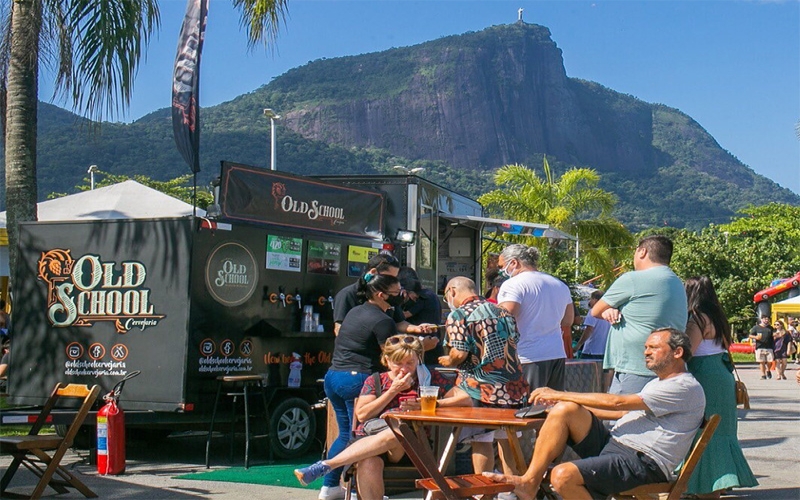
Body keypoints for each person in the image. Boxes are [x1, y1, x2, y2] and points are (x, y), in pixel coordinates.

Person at [484, 329, 705, 500]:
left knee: (562, 476)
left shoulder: (683, 386)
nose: (646, 352)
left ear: (678, 352)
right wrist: (561, 405)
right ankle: (530, 481)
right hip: (617, 445)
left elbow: (617, 402)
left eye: (654, 347)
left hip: (643, 462)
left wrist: (560, 393)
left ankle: (529, 483)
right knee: (566, 409)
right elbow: (622, 413)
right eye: (646, 347)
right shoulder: (660, 383)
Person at [296, 335, 470, 498]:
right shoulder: (377, 380)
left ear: (419, 359)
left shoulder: (429, 378)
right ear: (386, 360)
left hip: (412, 446)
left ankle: (328, 465)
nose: (404, 369)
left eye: (410, 362)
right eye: (398, 363)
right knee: (369, 461)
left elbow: (465, 399)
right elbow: (362, 414)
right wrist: (393, 391)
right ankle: (327, 466)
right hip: (372, 442)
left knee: (397, 430)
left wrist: (431, 405)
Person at [321, 274, 405, 500]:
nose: (401, 298)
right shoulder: (383, 321)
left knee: (346, 434)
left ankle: (330, 487)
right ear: (381, 295)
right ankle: (359, 489)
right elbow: (391, 356)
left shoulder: (355, 311)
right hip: (356, 379)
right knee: (358, 436)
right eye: (397, 294)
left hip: (333, 377)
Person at [439, 277, 529, 476]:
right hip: (512, 387)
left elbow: (459, 353)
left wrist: (448, 360)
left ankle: (484, 494)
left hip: (480, 389)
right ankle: (511, 492)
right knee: (508, 439)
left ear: (452, 291)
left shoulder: (458, 315)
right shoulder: (503, 311)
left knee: (481, 439)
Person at [683, 276, 758, 498]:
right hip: (721, 375)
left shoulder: (696, 318)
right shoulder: (718, 316)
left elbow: (688, 350)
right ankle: (721, 482)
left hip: (704, 376)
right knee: (722, 431)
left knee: (704, 430)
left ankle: (707, 486)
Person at [591, 235, 687, 395]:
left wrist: (607, 309)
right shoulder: (676, 282)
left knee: (623, 418)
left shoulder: (633, 279)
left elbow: (595, 310)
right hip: (668, 366)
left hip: (637, 366)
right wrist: (609, 310)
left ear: (642, 252)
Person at [496, 244, 573, 391]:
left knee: (528, 407)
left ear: (514, 262)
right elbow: (567, 321)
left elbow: (505, 315)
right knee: (551, 405)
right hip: (555, 353)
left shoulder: (513, 284)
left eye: (502, 266)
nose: (501, 271)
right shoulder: (559, 284)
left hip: (528, 356)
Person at [333, 254, 438, 344]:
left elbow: (399, 322)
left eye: (395, 278)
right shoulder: (347, 295)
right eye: (389, 278)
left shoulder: (391, 296)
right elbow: (339, 330)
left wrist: (417, 328)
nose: (393, 282)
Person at [397, 266, 443, 365]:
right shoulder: (430, 295)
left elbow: (401, 317)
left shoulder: (423, 297)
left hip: (426, 349)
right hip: (427, 348)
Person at [575, 290, 610, 361]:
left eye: (590, 299)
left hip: (591, 350)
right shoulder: (609, 312)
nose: (589, 301)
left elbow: (589, 329)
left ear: (595, 300)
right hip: (605, 351)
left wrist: (579, 345)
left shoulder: (593, 311)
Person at [748, 315, 774, 379]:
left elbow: (773, 335)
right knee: (761, 361)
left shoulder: (770, 328)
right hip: (760, 346)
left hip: (769, 346)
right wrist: (756, 337)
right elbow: (750, 335)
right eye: (765, 319)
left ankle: (768, 370)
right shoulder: (756, 327)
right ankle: (763, 375)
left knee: (770, 361)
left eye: (767, 319)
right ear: (761, 319)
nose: (766, 321)